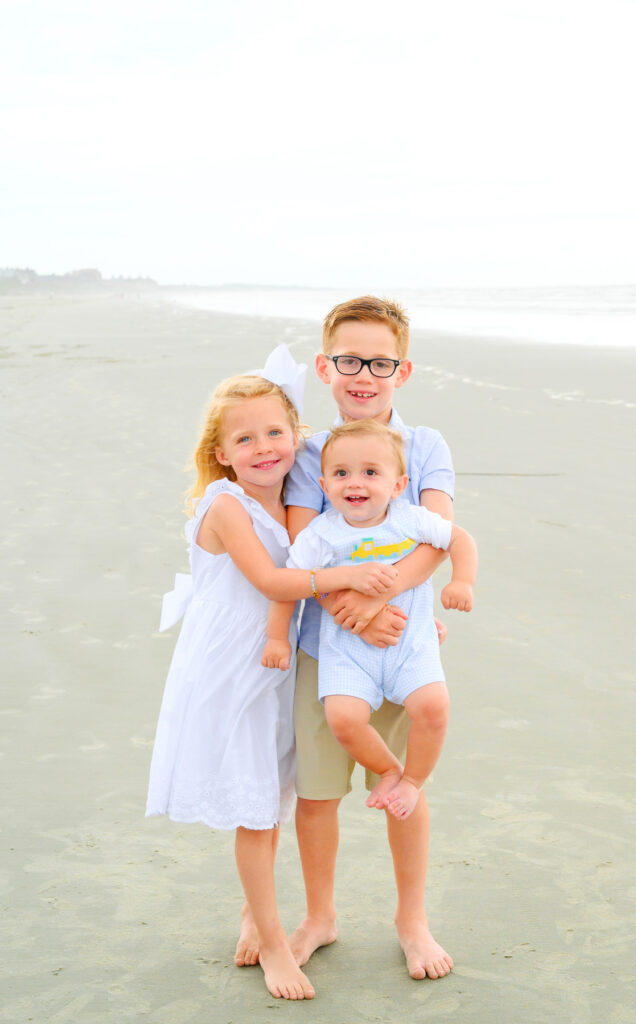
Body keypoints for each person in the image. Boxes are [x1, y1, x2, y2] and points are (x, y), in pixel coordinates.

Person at [145, 347, 396, 1001]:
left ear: (296, 437)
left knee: (272, 797)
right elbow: (271, 579)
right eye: (245, 438)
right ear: (222, 451)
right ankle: (277, 945)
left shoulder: (292, 498)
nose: (264, 447)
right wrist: (345, 579)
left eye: (275, 432)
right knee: (256, 813)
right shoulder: (225, 506)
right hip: (236, 668)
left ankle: (254, 913)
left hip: (277, 664)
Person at [280, 295, 474, 980]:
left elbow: (437, 537)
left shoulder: (424, 447)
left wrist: (381, 601)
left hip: (397, 639)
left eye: (380, 362)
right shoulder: (310, 452)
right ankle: (320, 914)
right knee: (317, 793)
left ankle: (412, 919)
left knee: (404, 789)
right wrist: (346, 609)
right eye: (349, 360)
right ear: (325, 366)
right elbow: (306, 546)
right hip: (321, 646)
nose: (364, 374)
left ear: (404, 369)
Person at [262, 419, 477, 823]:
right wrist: (277, 637)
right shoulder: (321, 535)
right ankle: (389, 770)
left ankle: (412, 780)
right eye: (341, 474)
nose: (354, 483)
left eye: (371, 473)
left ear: (398, 485)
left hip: (408, 645)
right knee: (343, 718)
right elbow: (291, 583)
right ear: (324, 486)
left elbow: (459, 538)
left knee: (433, 706)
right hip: (346, 652)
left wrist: (462, 581)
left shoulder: (410, 518)